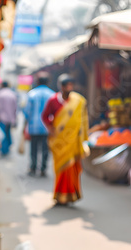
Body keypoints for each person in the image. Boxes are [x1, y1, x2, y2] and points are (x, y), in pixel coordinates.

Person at [42, 75, 89, 206]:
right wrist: (51, 129)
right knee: (61, 169)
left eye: (71, 85)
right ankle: (59, 195)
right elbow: (45, 116)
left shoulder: (78, 101)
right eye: (67, 86)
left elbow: (84, 120)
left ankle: (72, 194)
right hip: (59, 141)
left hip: (74, 141)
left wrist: (84, 138)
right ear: (61, 87)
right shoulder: (53, 100)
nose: (69, 88)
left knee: (72, 169)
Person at [24, 73, 55, 177]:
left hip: (34, 126)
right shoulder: (52, 95)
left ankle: (33, 167)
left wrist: (25, 126)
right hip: (47, 127)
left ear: (37, 82)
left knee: (34, 149)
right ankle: (43, 169)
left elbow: (27, 111)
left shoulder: (32, 94)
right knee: (45, 149)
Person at [0, 81, 17, 156]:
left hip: (2, 118)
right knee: (7, 133)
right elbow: (15, 108)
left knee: (3, 134)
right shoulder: (12, 94)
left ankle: (4, 150)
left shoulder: (0, 94)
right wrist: (15, 119)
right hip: (10, 118)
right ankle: (7, 148)